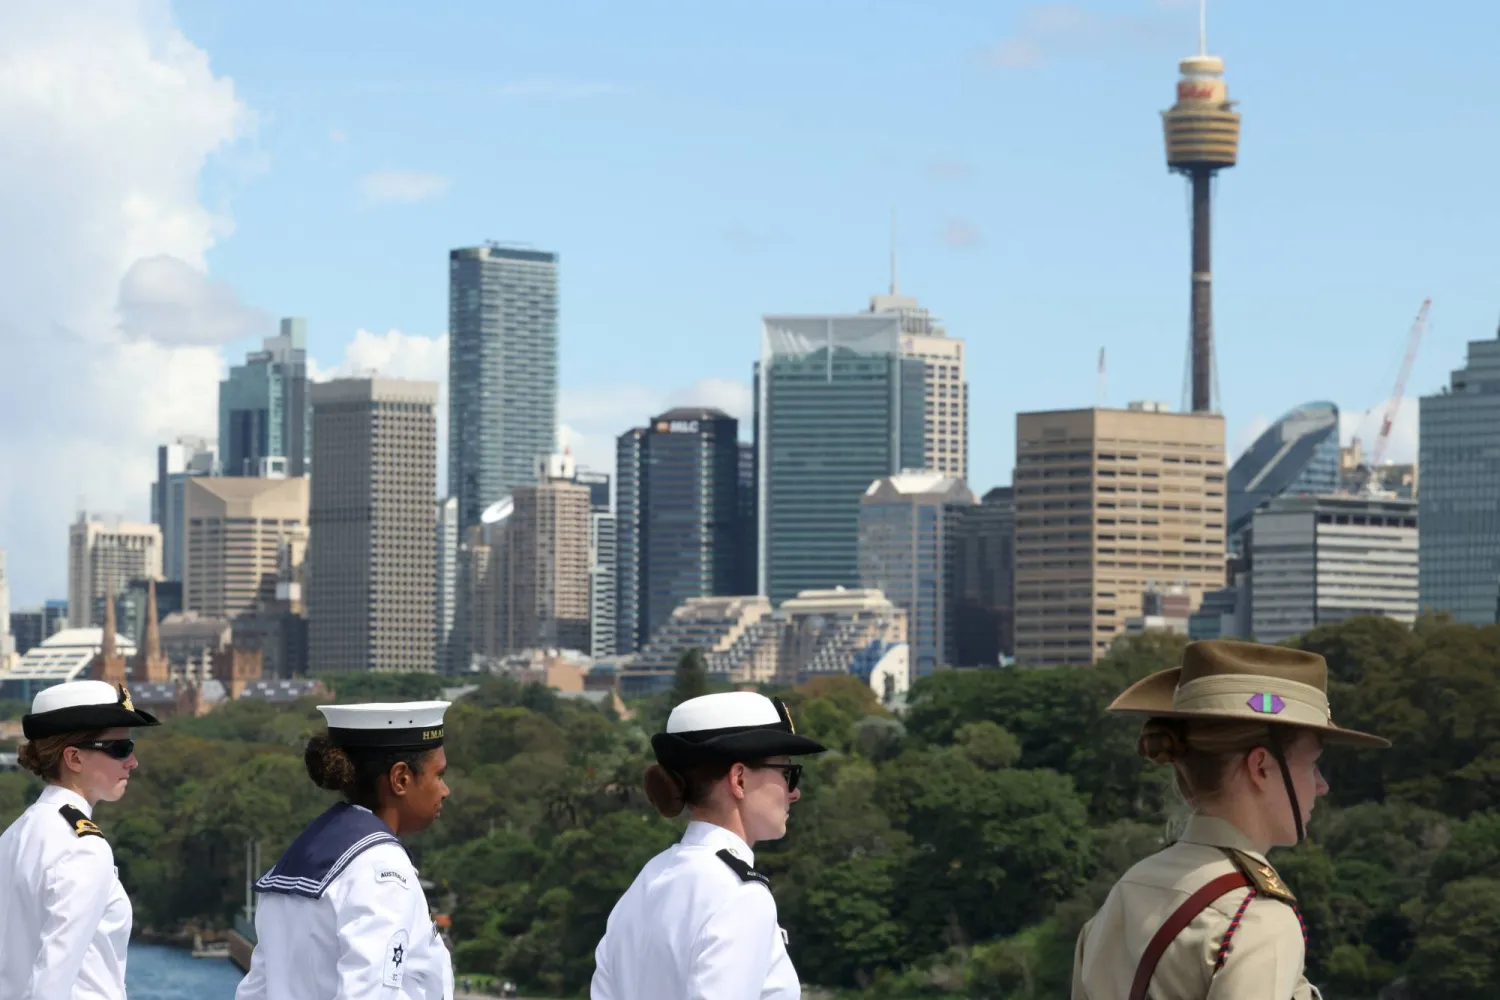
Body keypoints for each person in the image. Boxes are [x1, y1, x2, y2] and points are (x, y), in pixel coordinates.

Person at [1070, 639, 1390, 1000]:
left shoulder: (1128, 890)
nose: (1322, 786)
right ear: (1261, 768)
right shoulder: (1256, 919)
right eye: (1312, 765)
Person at [591, 691, 828, 1000]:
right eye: (787, 774)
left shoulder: (644, 885)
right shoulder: (739, 896)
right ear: (739, 779)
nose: (793, 793)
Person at [235, 700, 455, 1000]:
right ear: (401, 778)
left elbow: (256, 990)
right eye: (438, 775)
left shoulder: (293, 863)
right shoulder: (383, 872)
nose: (445, 790)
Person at [0, 679, 161, 1000]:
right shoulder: (85, 847)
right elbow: (52, 979)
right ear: (73, 758)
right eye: (120, 749)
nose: (132, 762)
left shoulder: (14, 836)